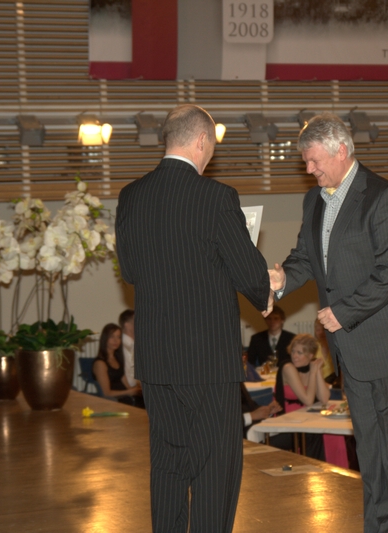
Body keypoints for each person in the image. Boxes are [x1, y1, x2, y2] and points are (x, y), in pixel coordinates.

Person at [268, 113, 388, 532]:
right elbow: (306, 258)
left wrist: (344, 312)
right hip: (353, 347)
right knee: (372, 452)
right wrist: (282, 279)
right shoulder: (314, 200)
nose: (309, 169)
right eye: (306, 162)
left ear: (341, 150)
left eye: (314, 160)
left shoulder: (384, 197)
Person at [115, 104, 271, 533]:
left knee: (167, 464)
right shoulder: (216, 197)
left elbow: (130, 271)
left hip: (157, 360)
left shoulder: (131, 195)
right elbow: (250, 274)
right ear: (202, 141)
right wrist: (266, 288)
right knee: (214, 468)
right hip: (207, 361)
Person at [274, 333, 346, 466]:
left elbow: (324, 398)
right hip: (290, 417)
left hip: (307, 415)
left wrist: (317, 371)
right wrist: (313, 372)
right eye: (293, 351)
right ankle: (315, 467)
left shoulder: (311, 367)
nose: (294, 356)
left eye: (300, 353)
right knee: (321, 432)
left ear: (310, 355)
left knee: (333, 434)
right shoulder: (288, 368)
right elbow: (308, 400)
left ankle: (334, 469)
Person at [92, 323, 143, 406]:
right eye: (112, 337)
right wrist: (129, 392)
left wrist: (136, 390)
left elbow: (126, 383)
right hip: (115, 400)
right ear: (105, 338)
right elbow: (106, 393)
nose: (116, 341)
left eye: (118, 337)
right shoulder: (100, 363)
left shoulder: (118, 358)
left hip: (126, 396)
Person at [314, 317, 337, 384]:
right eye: (318, 330)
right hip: (317, 383)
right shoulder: (312, 347)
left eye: (324, 329)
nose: (321, 332)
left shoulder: (336, 347)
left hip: (335, 383)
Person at [119, 309, 137, 388]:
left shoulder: (134, 344)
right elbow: (129, 375)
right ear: (127, 325)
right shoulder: (123, 346)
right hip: (130, 387)